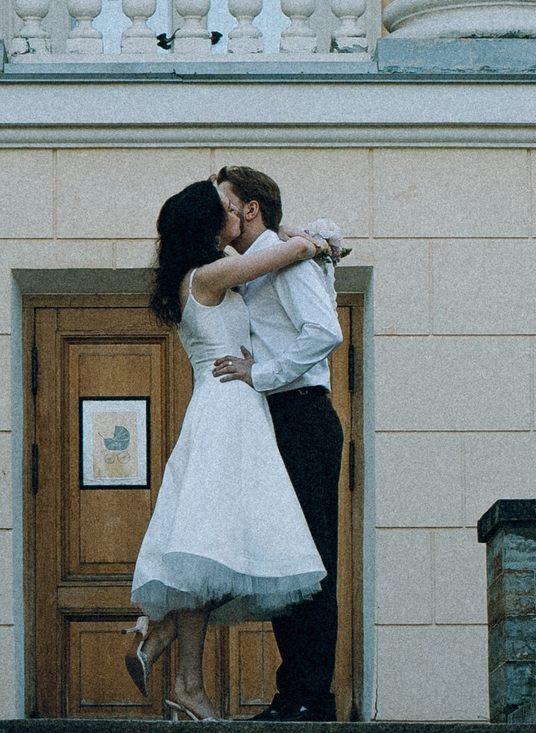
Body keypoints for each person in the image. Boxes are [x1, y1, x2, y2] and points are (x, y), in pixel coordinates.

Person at [126, 181, 330, 722]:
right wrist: (309, 238)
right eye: (224, 211)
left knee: (219, 547)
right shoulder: (210, 275)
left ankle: (170, 654)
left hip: (228, 408)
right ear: (208, 224)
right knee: (217, 544)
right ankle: (184, 678)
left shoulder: (194, 276)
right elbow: (293, 252)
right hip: (229, 409)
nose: (233, 215)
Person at [210, 165, 346, 722]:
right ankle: (293, 694)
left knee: (311, 559)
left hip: (303, 418)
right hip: (277, 421)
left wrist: (258, 373)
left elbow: (325, 332)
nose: (217, 214)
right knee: (285, 556)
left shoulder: (289, 262)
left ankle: (312, 697)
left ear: (251, 210)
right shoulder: (258, 262)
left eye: (223, 203)